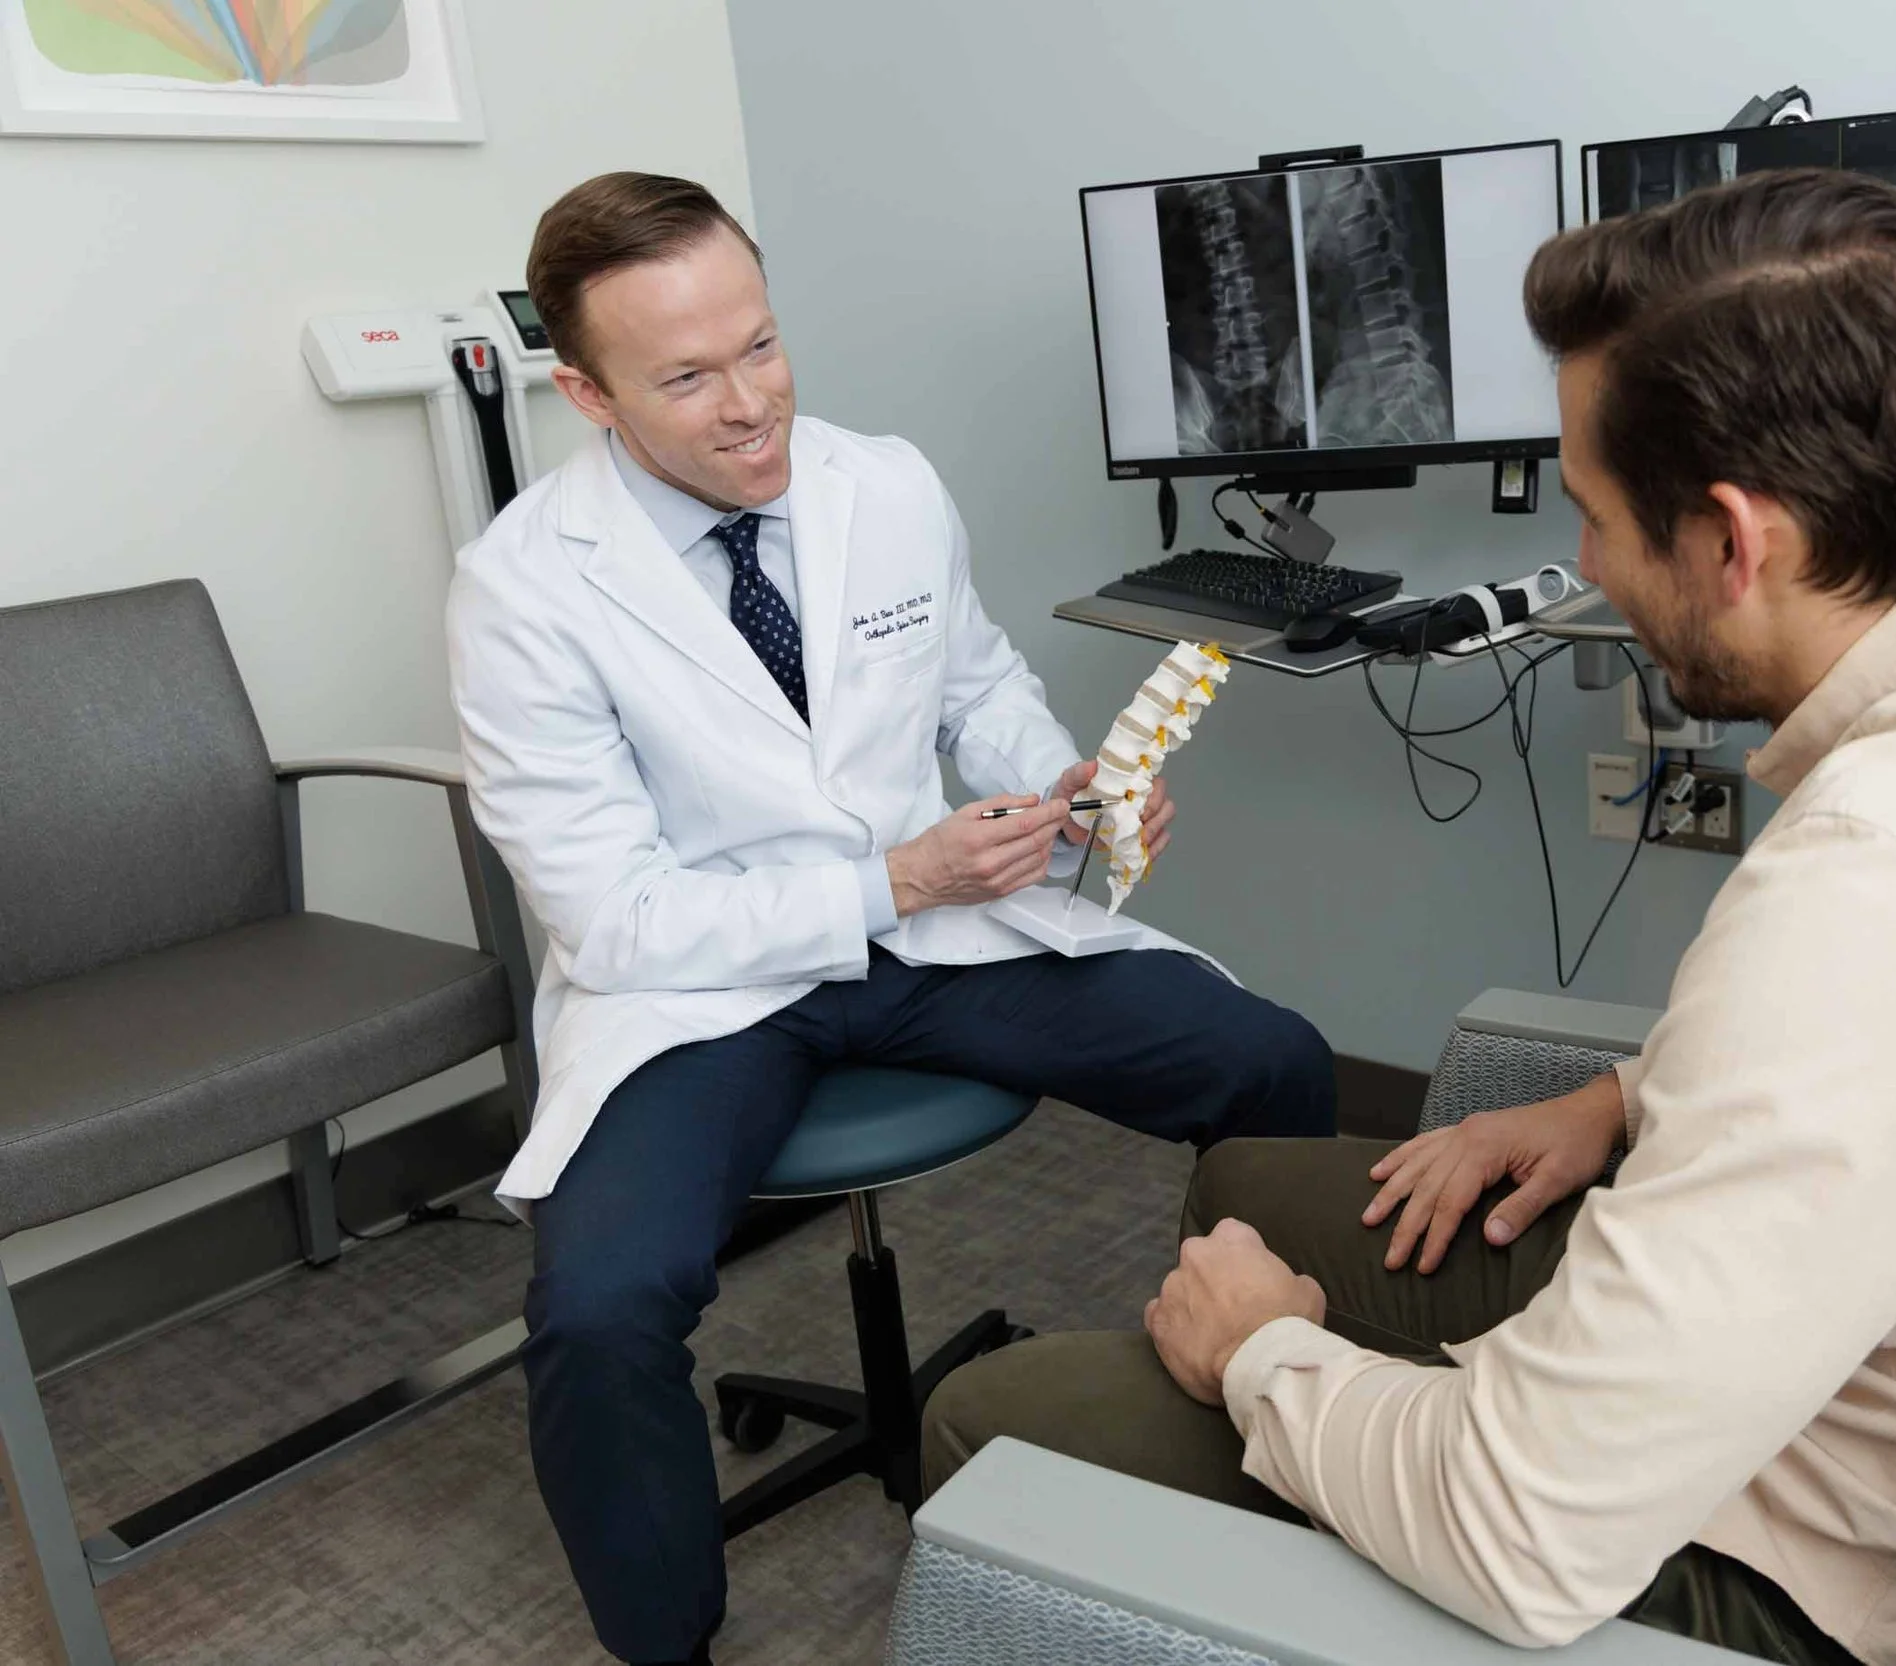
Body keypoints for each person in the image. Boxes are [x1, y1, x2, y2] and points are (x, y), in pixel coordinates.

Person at [922, 168, 1896, 1666]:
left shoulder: (1880, 892)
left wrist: (1267, 1355)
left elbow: (1522, 1539)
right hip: (1889, 1341)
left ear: (1735, 541)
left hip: (1800, 1571)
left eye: (1592, 516)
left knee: (992, 1421)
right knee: (1256, 1182)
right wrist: (1626, 1095)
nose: (1582, 564)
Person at [445, 172, 1336, 1666]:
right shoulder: (523, 591)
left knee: (1273, 1065)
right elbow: (616, 921)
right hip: (703, 989)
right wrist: (897, 879)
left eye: (764, 345)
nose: (751, 406)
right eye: (687, 375)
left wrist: (1070, 794)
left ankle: (1267, 1423)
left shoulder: (885, 485)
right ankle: (668, 1646)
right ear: (586, 391)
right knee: (599, 1313)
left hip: (933, 943)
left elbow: (973, 688)